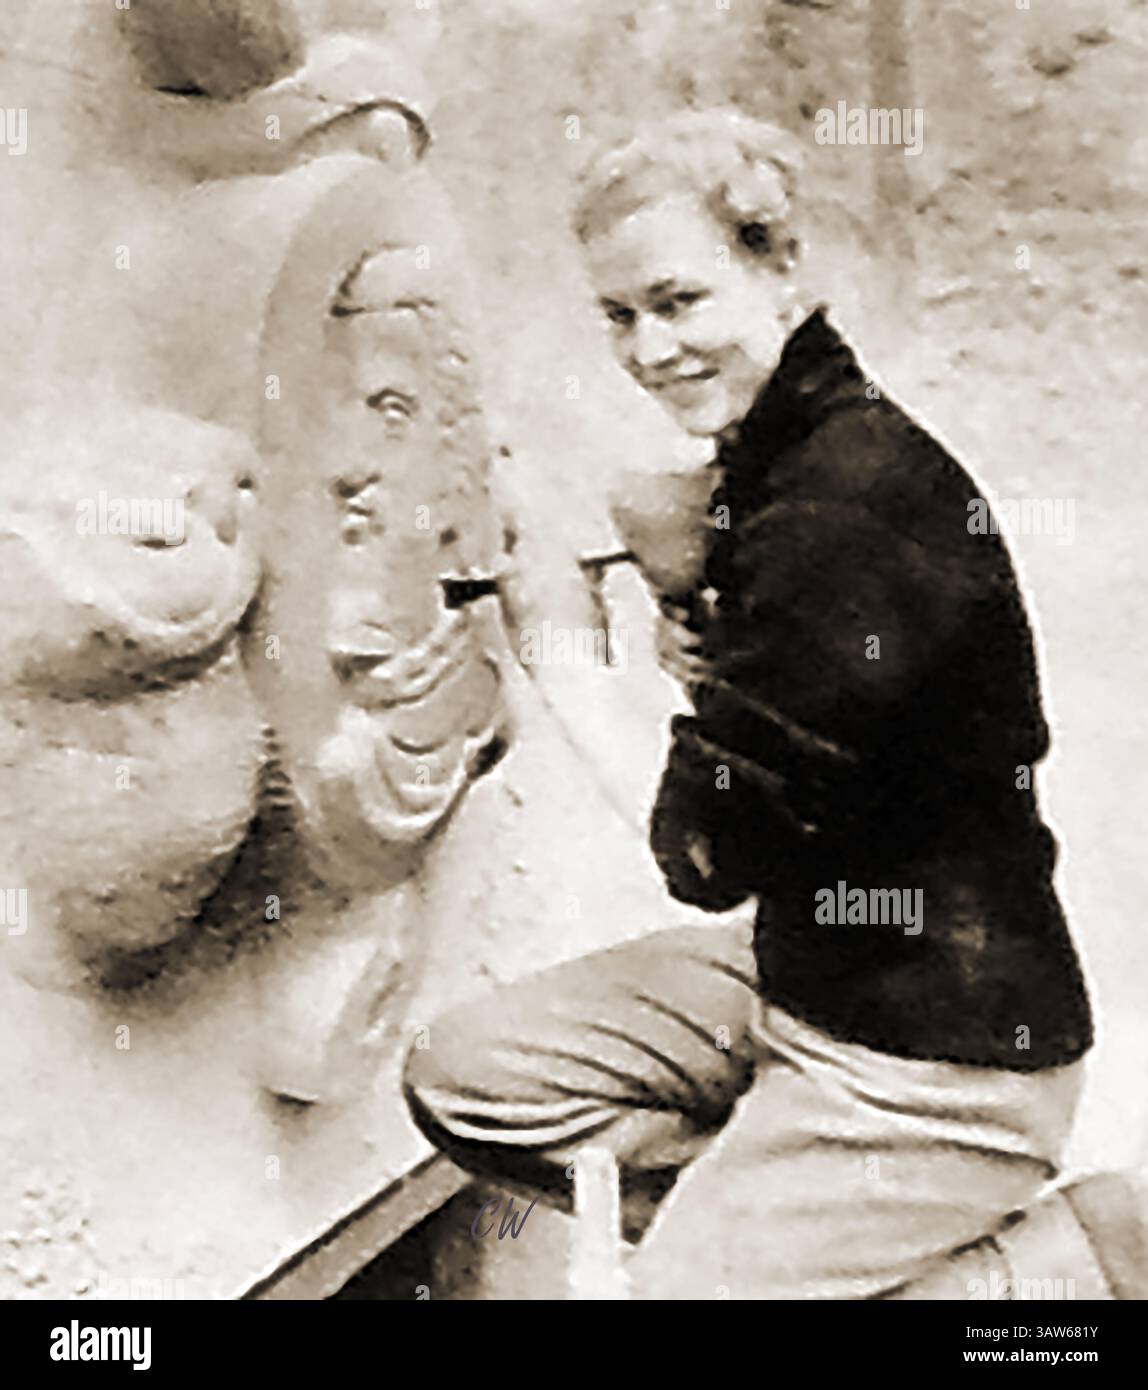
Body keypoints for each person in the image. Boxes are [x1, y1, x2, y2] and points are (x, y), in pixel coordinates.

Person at [402, 108, 1139, 1299]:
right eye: (618, 315)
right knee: (470, 1075)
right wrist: (692, 545)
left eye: (679, 300)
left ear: (779, 266)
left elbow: (700, 854)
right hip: (816, 968)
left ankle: (1055, 1271)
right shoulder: (787, 459)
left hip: (938, 1056)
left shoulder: (838, 518)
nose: (649, 349)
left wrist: (553, 637)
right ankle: (784, 1229)